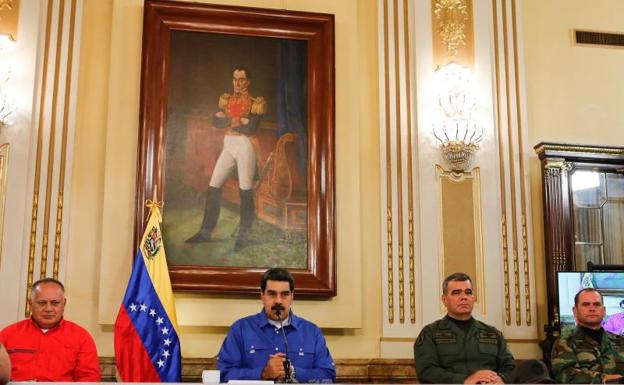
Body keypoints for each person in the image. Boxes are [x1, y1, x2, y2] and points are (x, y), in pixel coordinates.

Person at [186, 67, 266, 250]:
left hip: (246, 145)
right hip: (228, 144)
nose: (237, 83)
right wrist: (239, 120)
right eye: (235, 79)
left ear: (248, 82)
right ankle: (206, 232)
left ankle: (243, 236)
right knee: (214, 186)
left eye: (241, 79)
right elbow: (215, 122)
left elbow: (251, 128)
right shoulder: (226, 100)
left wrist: (229, 120)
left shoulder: (256, 103)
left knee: (245, 190)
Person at [217, 268, 336, 383]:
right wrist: (262, 373)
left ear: (292, 297)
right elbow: (224, 373)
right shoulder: (240, 329)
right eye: (272, 294)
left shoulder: (312, 332)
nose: (278, 301)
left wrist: (292, 372)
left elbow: (328, 376)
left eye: (284, 294)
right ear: (262, 296)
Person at [413, 273, 516, 384]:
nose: (464, 297)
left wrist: (501, 379)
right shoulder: (430, 333)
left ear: (472, 297)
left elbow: (510, 368)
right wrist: (465, 380)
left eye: (468, 292)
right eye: (456, 293)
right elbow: (427, 372)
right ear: (444, 300)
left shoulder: (493, 334)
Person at [0, 278, 100, 382]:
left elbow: (89, 379)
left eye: (55, 303)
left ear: (64, 304)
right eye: (42, 303)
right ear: (30, 304)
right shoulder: (8, 334)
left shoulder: (81, 337)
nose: (48, 309)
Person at [551, 288, 624, 383]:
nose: (592, 309)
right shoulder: (565, 342)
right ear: (575, 311)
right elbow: (564, 375)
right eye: (586, 304)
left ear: (604, 311)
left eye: (597, 304)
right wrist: (603, 379)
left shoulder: (620, 341)